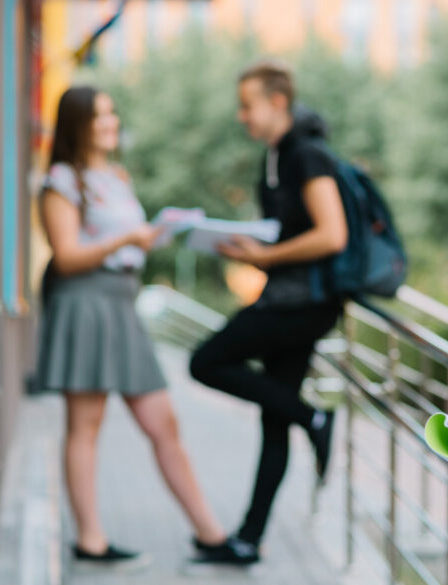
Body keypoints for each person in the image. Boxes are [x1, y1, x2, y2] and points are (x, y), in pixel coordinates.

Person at [36, 85, 237, 568]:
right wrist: (126, 236)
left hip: (123, 303)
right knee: (85, 425)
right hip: (85, 304)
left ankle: (211, 534)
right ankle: (90, 540)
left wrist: (150, 237)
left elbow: (123, 245)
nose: (110, 123)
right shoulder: (61, 181)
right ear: (76, 123)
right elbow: (66, 257)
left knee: (162, 423)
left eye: (112, 113)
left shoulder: (116, 176)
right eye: (98, 115)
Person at [188, 60, 347, 564]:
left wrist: (263, 258)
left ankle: (314, 417)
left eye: (247, 105)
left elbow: (331, 234)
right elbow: (288, 228)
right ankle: (249, 540)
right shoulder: (277, 157)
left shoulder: (307, 153)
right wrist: (246, 244)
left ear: (277, 102)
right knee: (272, 417)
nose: (242, 116)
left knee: (205, 361)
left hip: (305, 303)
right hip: (290, 298)